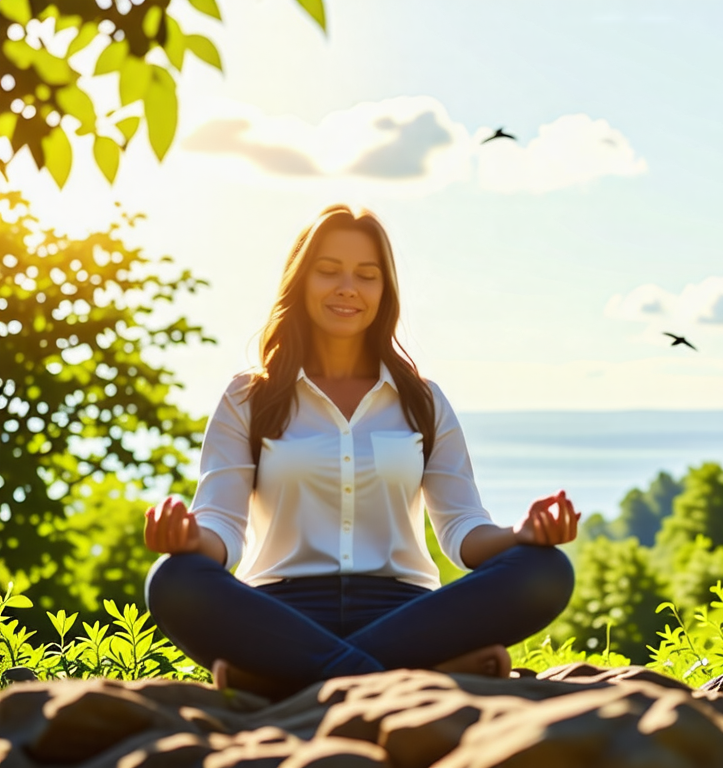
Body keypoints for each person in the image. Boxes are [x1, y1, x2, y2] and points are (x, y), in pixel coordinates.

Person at [143, 205, 577, 699]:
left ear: (384, 292)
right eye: (329, 271)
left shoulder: (423, 399)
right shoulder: (248, 397)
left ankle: (289, 678)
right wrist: (187, 537)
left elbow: (462, 532)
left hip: (408, 614)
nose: (347, 287)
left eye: (366, 276)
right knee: (173, 579)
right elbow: (221, 525)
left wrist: (521, 534)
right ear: (300, 282)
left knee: (545, 570)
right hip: (281, 616)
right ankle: (411, 674)